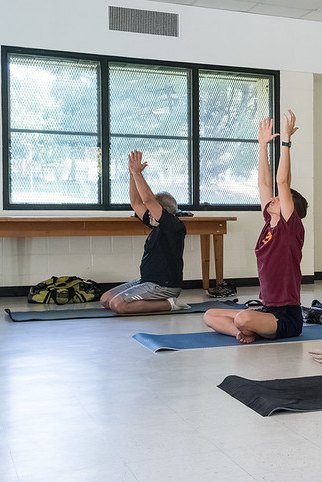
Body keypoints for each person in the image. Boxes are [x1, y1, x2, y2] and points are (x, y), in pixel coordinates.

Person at [203, 111, 308, 343]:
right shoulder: (269, 225)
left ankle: (246, 327)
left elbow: (282, 181)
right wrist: (261, 146)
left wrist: (286, 142)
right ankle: (241, 333)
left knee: (243, 317)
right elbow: (263, 182)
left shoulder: (289, 229)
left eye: (280, 198)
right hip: (266, 310)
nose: (274, 198)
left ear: (291, 209)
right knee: (210, 315)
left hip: (286, 318)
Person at [100, 150, 187, 314]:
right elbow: (135, 202)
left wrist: (137, 173)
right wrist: (132, 174)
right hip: (147, 281)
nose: (146, 213)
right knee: (106, 299)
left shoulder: (173, 226)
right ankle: (162, 301)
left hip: (165, 286)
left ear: (163, 211)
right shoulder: (155, 223)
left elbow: (147, 200)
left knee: (118, 305)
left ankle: (170, 304)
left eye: (150, 210)